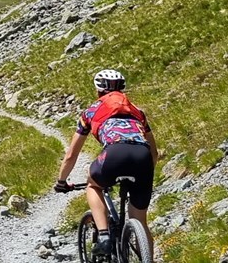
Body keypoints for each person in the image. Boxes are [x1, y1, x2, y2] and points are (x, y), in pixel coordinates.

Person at [54, 68, 158, 260]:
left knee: (93, 185)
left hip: (115, 153)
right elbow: (154, 152)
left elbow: (71, 154)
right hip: (143, 157)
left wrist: (61, 181)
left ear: (98, 91)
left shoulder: (90, 112)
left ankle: (103, 236)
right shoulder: (137, 112)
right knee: (140, 222)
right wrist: (145, 174)